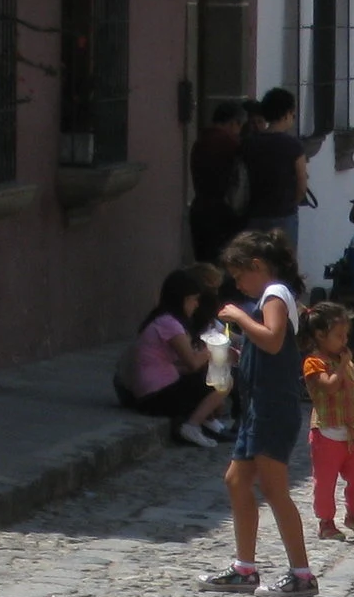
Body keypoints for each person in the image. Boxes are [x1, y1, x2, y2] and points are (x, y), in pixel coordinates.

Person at [202, 229, 317, 594]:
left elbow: (272, 337)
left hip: (273, 408)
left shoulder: (275, 294)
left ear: (257, 266)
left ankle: (301, 573)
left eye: (239, 277)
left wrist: (239, 317)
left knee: (274, 487)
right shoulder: (271, 296)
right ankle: (245, 566)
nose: (239, 286)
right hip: (258, 408)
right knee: (236, 480)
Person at [114, 266, 228, 445]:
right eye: (193, 300)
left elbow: (176, 364)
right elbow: (192, 362)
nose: (196, 305)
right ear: (182, 300)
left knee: (210, 375)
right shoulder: (170, 324)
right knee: (223, 382)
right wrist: (211, 350)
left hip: (151, 391)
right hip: (155, 396)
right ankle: (192, 426)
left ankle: (208, 420)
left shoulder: (163, 320)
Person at [301, 301, 354, 541]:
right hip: (326, 432)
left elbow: (347, 388)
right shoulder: (314, 362)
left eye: (346, 335)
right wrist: (342, 365)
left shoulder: (344, 361)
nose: (344, 341)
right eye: (339, 336)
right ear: (320, 335)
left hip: (351, 430)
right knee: (325, 482)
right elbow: (329, 386)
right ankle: (326, 522)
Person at [239, 89, 307, 243]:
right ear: (286, 114)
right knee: (282, 262)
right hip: (284, 215)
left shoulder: (249, 143)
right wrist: (291, 203)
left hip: (255, 214)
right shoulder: (293, 146)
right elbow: (302, 186)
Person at [188, 101, 247, 262]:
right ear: (234, 122)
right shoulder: (230, 143)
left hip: (199, 208)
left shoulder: (199, 142)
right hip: (222, 212)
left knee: (204, 264)